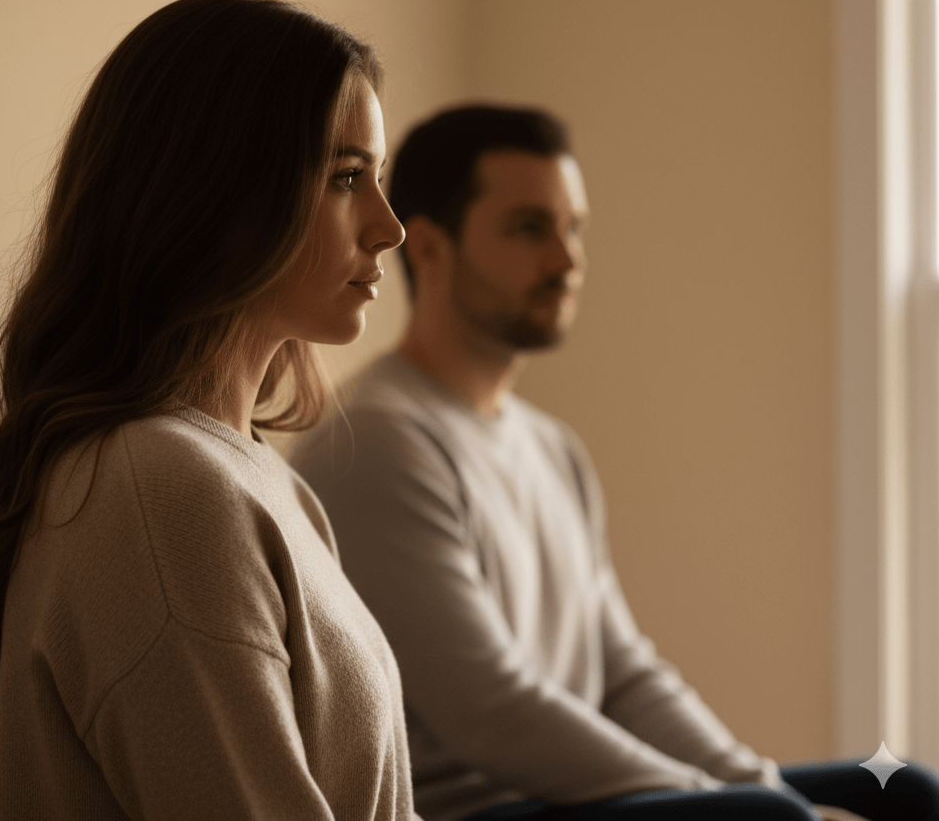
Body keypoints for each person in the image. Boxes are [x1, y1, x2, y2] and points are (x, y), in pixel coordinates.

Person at [289, 105, 939, 821]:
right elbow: (494, 714)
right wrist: (727, 804)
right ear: (430, 249)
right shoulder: (378, 441)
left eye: (573, 229)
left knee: (903, 790)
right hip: (478, 811)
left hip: (576, 799)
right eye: (530, 229)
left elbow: (625, 675)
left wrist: (753, 783)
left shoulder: (551, 447)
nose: (568, 261)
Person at [0, 0, 417, 820]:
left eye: (377, 178)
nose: (389, 228)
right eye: (344, 177)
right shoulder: (159, 490)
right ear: (214, 195)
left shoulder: (258, 479)